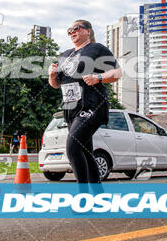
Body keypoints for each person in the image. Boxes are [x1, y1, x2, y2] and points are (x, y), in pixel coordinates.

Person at [48, 20, 122, 184]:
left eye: (76, 28)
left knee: (72, 147)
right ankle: (98, 198)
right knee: (86, 153)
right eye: (69, 30)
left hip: (92, 105)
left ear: (88, 31)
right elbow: (56, 84)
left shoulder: (96, 49)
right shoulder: (66, 55)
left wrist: (98, 77)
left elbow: (117, 72)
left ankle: (83, 198)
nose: (72, 32)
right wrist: (52, 75)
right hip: (71, 108)